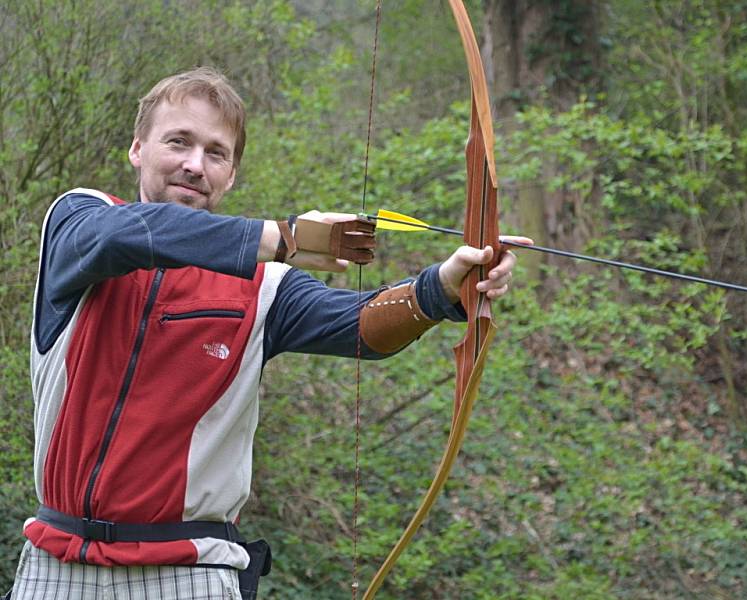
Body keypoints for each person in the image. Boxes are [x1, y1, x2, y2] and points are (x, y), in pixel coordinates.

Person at [6, 66, 526, 600]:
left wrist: (445, 285)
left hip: (191, 575)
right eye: (178, 142)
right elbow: (125, 236)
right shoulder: (78, 220)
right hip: (55, 566)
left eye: (216, 152)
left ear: (231, 175)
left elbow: (365, 324)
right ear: (138, 149)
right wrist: (285, 236)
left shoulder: (264, 288)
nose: (194, 165)